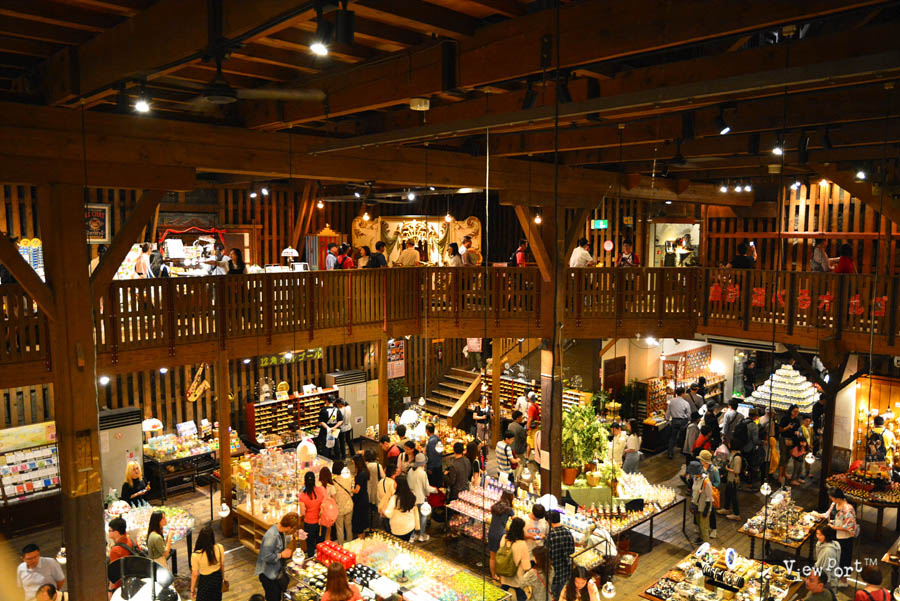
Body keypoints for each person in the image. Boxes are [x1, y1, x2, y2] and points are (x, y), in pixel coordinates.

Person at [813, 488, 858, 581]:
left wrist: (834, 527)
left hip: (844, 538)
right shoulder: (834, 504)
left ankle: (843, 578)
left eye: (832, 497)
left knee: (843, 558)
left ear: (838, 498)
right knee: (834, 555)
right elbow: (827, 514)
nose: (831, 499)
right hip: (833, 535)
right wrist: (817, 514)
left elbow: (850, 526)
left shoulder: (848, 509)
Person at [255, 512, 300, 601]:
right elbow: (265, 556)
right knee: (273, 597)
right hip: (268, 576)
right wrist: (281, 555)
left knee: (278, 595)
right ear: (289, 527)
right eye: (293, 529)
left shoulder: (279, 529)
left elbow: (280, 541)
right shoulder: (271, 537)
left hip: (275, 572)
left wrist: (293, 537)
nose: (293, 531)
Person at [498, 517, 531, 601]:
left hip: (504, 573)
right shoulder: (522, 544)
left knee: (502, 592)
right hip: (516, 576)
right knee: (521, 596)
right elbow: (526, 566)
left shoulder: (504, 538)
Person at [191, 524, 225, 601]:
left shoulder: (196, 555)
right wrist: (223, 578)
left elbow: (195, 575)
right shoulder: (220, 547)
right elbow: (222, 566)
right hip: (217, 578)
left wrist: (192, 589)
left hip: (205, 581)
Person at [407, 453, 437, 542]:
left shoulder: (410, 471)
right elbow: (426, 487)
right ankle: (421, 535)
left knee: (413, 517)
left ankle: (412, 536)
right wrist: (435, 490)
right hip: (420, 498)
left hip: (411, 498)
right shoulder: (422, 473)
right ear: (423, 463)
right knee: (423, 516)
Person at [546, 511, 575, 599]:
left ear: (549, 521)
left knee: (553, 596)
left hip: (555, 573)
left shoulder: (550, 536)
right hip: (566, 571)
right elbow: (572, 551)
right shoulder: (568, 532)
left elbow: (547, 556)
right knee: (563, 595)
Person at [488, 491, 516, 579]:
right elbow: (515, 521)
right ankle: (501, 578)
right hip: (500, 534)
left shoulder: (495, 506)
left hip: (491, 532)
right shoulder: (509, 510)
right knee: (500, 557)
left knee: (492, 557)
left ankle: (493, 576)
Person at [298, 471, 326, 554]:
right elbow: (324, 503)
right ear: (314, 480)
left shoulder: (302, 496)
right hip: (320, 522)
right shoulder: (321, 490)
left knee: (310, 545)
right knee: (321, 544)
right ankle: (321, 558)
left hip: (309, 524)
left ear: (305, 482)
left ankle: (311, 559)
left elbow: (303, 513)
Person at [384, 475, 420, 541]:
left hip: (398, 528)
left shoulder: (394, 498)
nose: (393, 484)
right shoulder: (412, 495)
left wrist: (383, 510)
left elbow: (388, 514)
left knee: (398, 544)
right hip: (410, 526)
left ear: (398, 485)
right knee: (406, 542)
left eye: (394, 483)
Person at [107, 517, 135, 593]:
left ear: (116, 532)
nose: (108, 532)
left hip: (121, 588)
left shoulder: (115, 550)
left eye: (110, 530)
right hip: (134, 583)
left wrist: (110, 590)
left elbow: (114, 574)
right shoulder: (132, 541)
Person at [698, 449, 720, 539]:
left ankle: (713, 529)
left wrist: (709, 486)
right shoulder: (700, 468)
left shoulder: (714, 470)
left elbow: (717, 482)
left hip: (709, 494)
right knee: (699, 510)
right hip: (700, 493)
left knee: (711, 512)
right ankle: (701, 529)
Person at [331, 461, 355, 544]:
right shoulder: (349, 478)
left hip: (339, 508)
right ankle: (350, 544)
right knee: (349, 526)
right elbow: (351, 491)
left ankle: (341, 546)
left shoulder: (333, 482)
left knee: (339, 529)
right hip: (349, 505)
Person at [689, 461, 713, 543]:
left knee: (704, 527)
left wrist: (706, 510)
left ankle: (707, 544)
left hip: (704, 507)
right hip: (696, 505)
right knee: (699, 524)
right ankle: (701, 539)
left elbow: (709, 497)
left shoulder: (706, 482)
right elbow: (694, 492)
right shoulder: (695, 478)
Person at [778, 404, 801, 485]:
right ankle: (780, 476)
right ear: (791, 411)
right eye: (794, 411)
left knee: (788, 457)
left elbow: (798, 429)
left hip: (792, 440)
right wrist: (787, 427)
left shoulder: (797, 420)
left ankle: (785, 472)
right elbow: (780, 430)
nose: (796, 413)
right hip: (784, 439)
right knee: (783, 457)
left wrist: (797, 432)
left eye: (797, 412)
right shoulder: (785, 418)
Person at [666, 387, 691, 459]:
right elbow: (689, 414)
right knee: (683, 436)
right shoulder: (686, 403)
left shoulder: (671, 401)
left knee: (672, 437)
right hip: (683, 421)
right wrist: (689, 420)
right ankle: (682, 451)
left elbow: (668, 412)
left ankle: (670, 453)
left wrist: (667, 420)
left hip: (674, 420)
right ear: (683, 393)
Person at [719, 447, 742, 521]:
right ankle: (726, 508)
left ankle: (736, 514)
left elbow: (737, 471)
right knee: (727, 493)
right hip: (730, 478)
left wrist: (727, 469)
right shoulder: (733, 454)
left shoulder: (737, 457)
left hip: (733, 479)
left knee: (733, 496)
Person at [351, 454, 371, 536]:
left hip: (360, 500)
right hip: (364, 498)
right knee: (362, 520)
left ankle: (360, 538)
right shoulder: (364, 471)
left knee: (359, 521)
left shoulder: (361, 474)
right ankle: (362, 536)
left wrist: (349, 489)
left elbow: (356, 490)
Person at [377, 461, 399, 531]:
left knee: (386, 529)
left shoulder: (381, 481)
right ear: (393, 474)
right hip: (389, 510)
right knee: (391, 530)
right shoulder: (393, 483)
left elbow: (378, 495)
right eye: (397, 472)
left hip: (382, 509)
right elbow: (395, 497)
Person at [319, 466, 337, 541]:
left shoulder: (318, 486)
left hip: (320, 510)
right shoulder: (331, 487)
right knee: (328, 530)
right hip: (329, 511)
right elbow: (334, 500)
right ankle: (327, 543)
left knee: (321, 531)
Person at [425, 422, 443, 487]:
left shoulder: (431, 441)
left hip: (434, 468)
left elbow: (431, 456)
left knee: (433, 485)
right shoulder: (438, 438)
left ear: (427, 431)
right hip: (439, 465)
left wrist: (430, 468)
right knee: (438, 484)